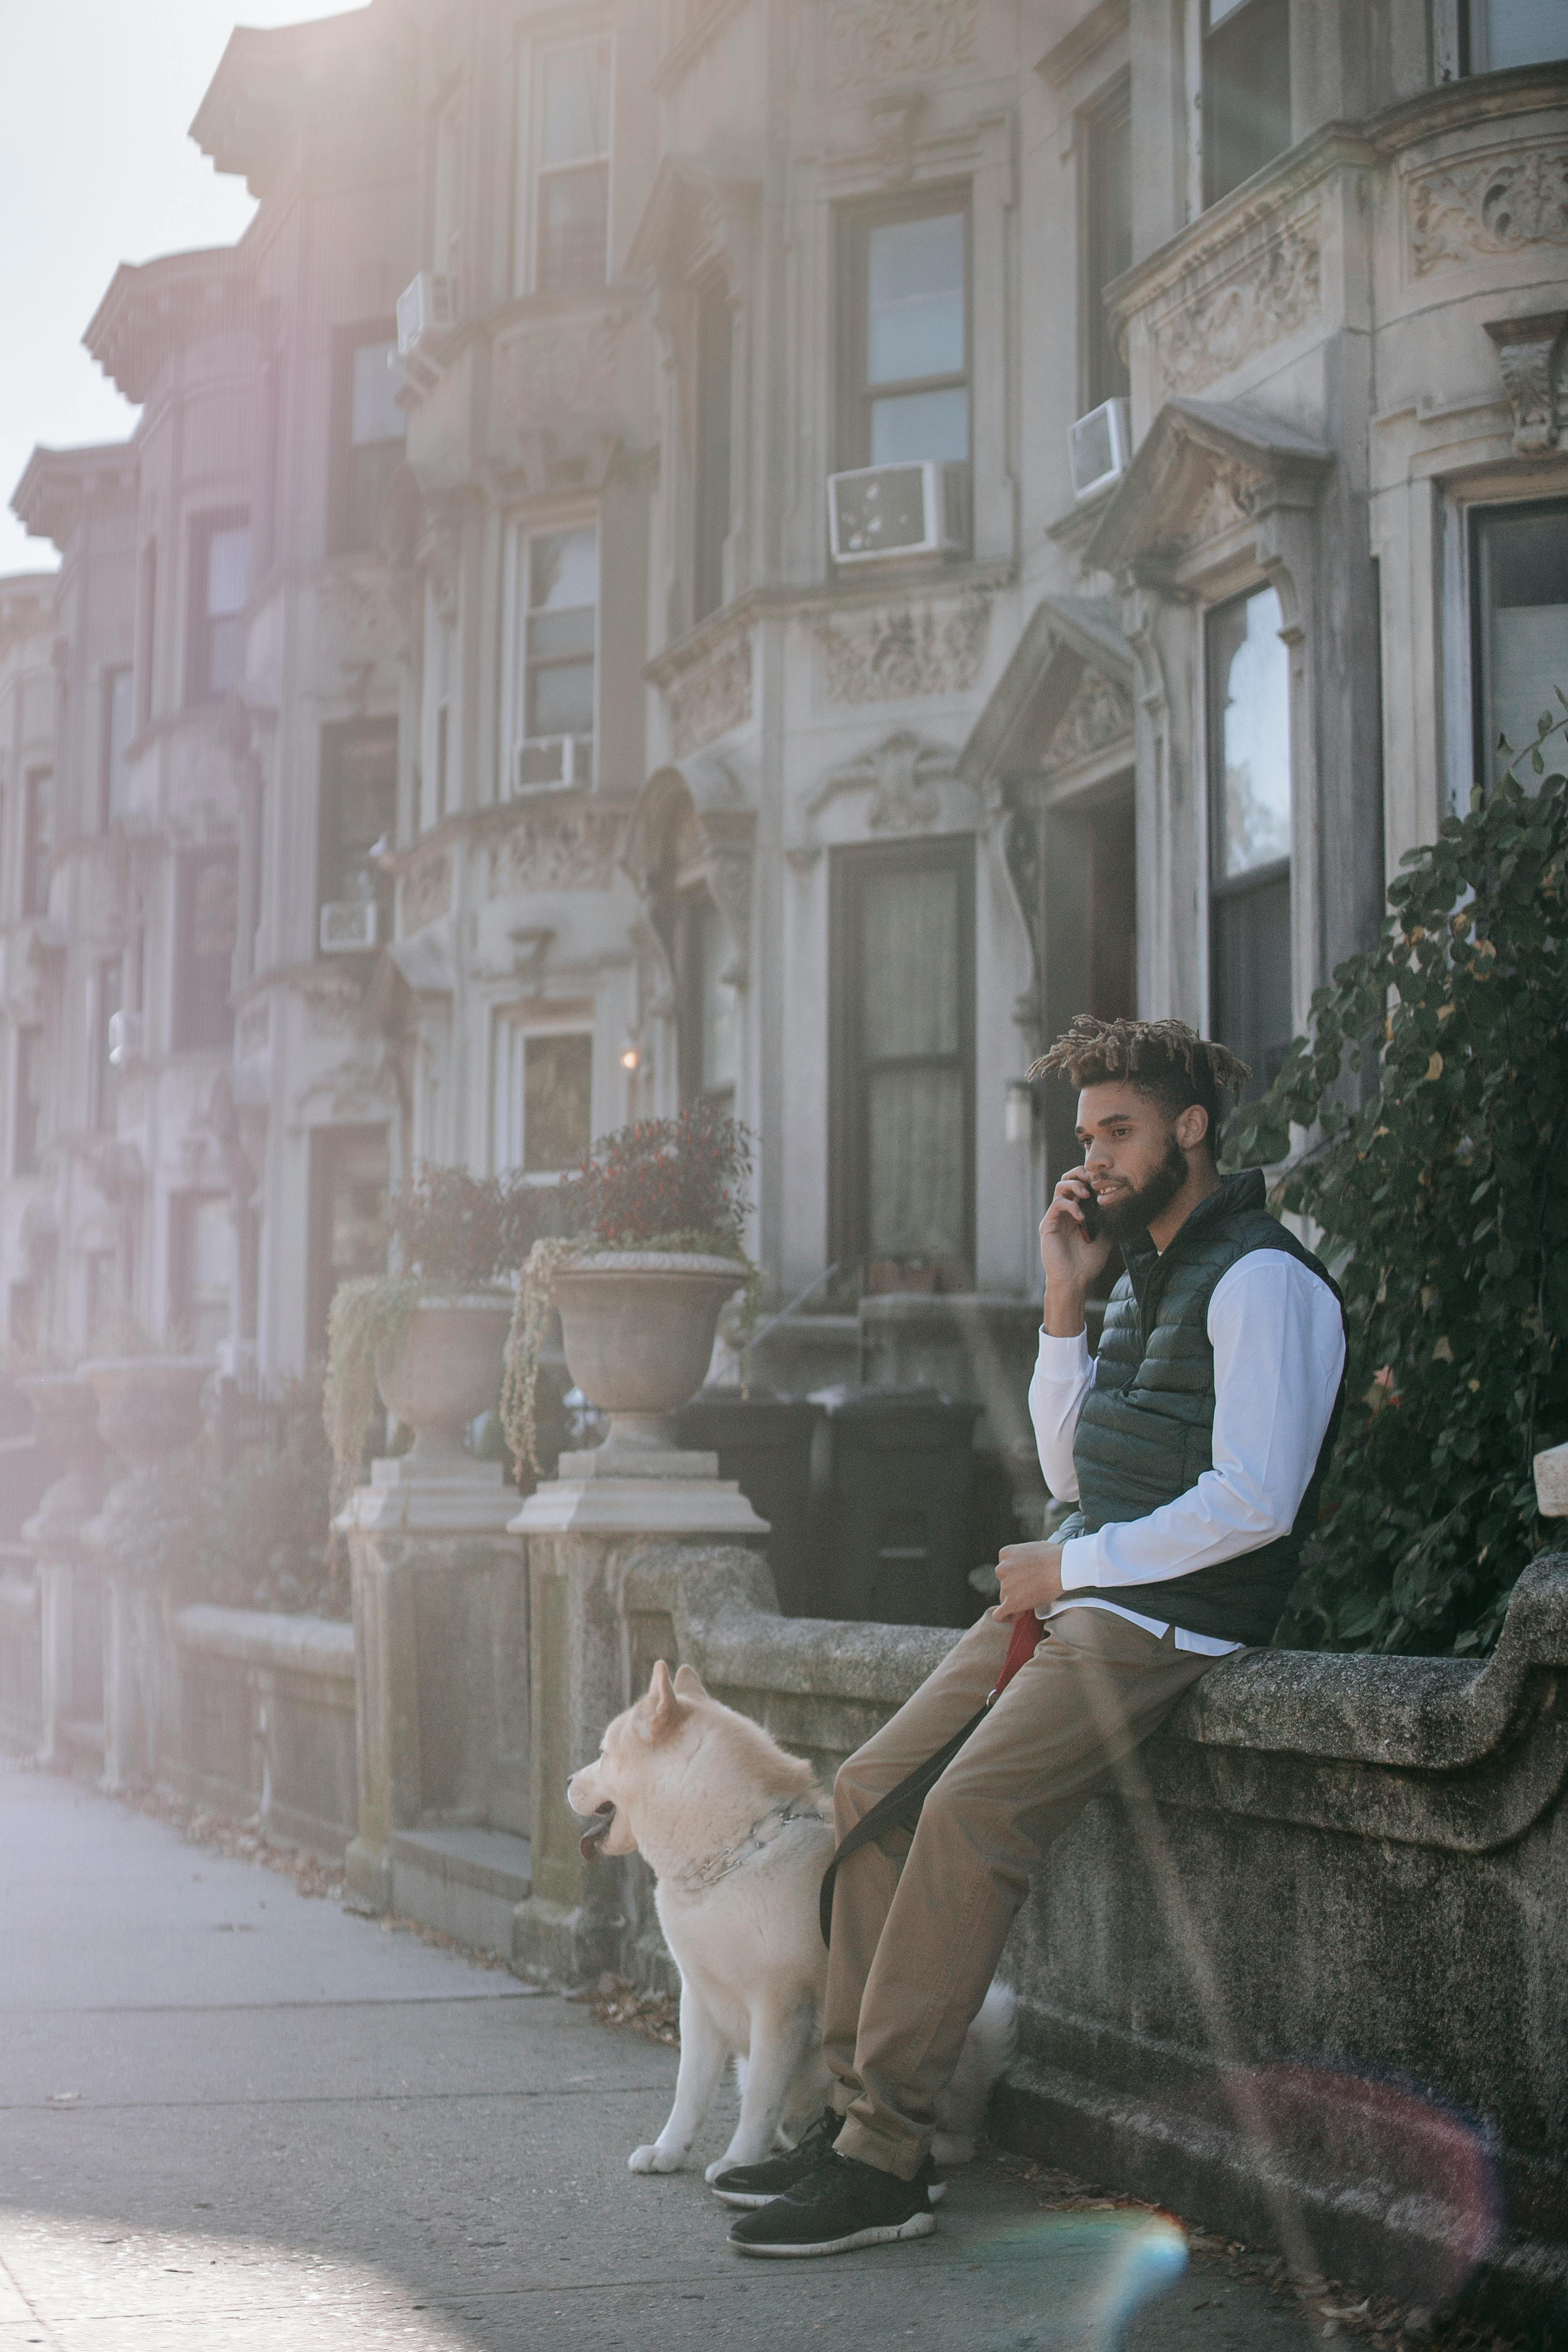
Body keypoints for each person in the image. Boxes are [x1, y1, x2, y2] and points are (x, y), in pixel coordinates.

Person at [719, 1015, 1348, 2259]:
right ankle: (848, 2112)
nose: (1096, 1159)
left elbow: (1257, 1499)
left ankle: (885, 2153)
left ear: (1191, 1127)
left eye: (1118, 1130)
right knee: (873, 1788)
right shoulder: (1136, 1280)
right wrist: (1064, 1299)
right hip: (1082, 1592)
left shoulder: (1266, 1279)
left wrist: (1072, 1563)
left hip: (1173, 1618)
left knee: (968, 1816)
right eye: (1084, 1137)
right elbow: (1069, 1464)